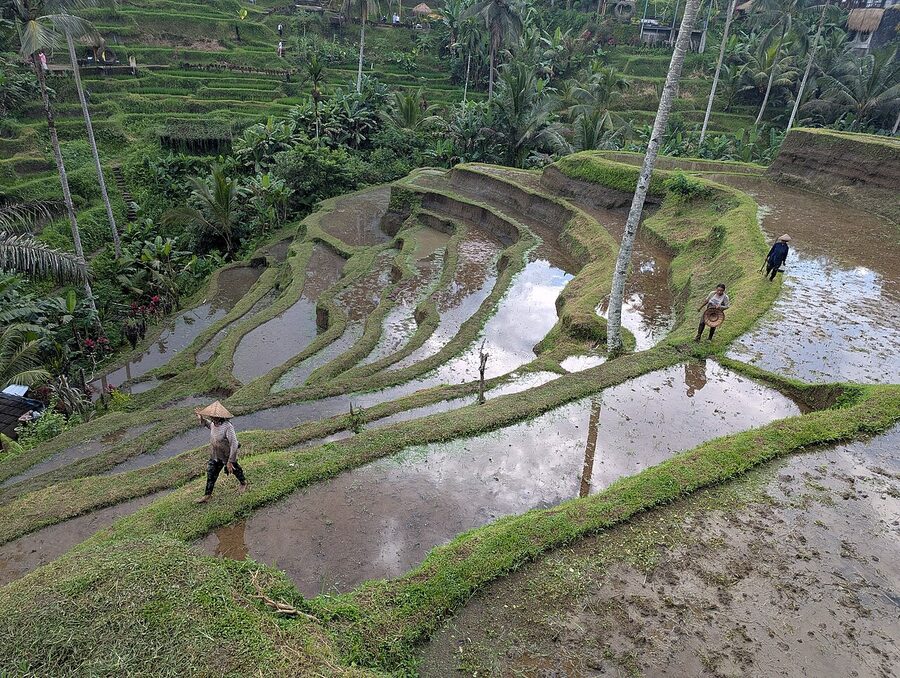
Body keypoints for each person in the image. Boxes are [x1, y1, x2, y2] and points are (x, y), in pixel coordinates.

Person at [195, 401, 247, 503]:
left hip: (227, 455)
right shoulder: (214, 424)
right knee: (211, 474)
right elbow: (208, 425)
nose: (211, 418)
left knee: (235, 470)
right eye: (210, 416)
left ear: (220, 417)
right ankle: (207, 495)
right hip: (215, 455)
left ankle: (243, 483)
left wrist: (230, 461)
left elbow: (234, 444)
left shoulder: (227, 426)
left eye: (213, 416)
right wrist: (201, 418)